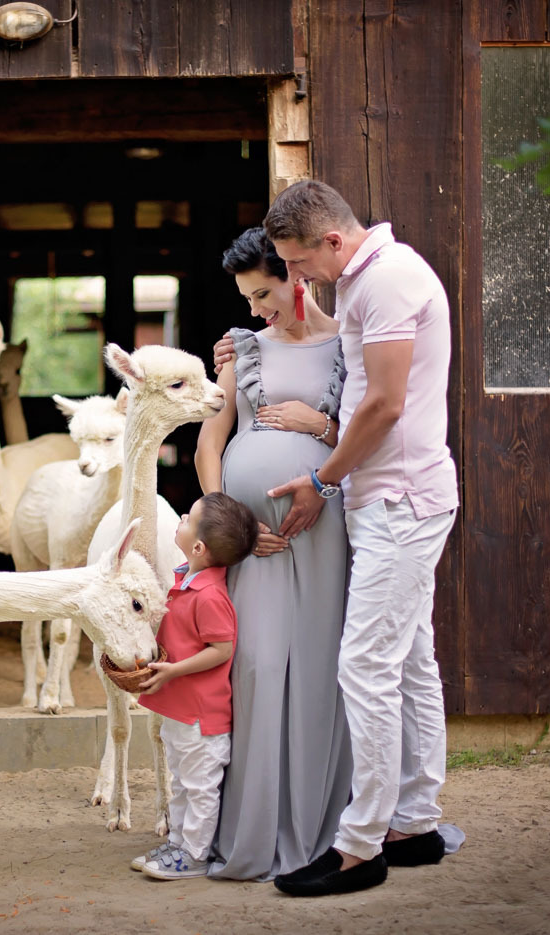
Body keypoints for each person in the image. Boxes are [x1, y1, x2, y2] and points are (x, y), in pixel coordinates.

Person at [233, 180, 458, 897]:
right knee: (412, 657)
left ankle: (360, 845)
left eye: (300, 265)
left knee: (363, 665)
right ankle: (415, 821)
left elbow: (386, 403)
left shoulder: (386, 282)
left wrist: (323, 480)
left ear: (332, 240)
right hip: (388, 497)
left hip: (398, 498)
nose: (299, 281)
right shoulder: (369, 282)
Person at [192, 227, 355, 882]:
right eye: (247, 297)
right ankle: (251, 829)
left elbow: (374, 430)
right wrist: (228, 518)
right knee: (255, 664)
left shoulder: (349, 344)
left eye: (263, 292)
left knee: (318, 666)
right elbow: (210, 443)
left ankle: (319, 829)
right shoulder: (241, 349)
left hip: (321, 529)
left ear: (297, 275)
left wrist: (319, 427)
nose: (255, 309)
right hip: (250, 540)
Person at [130, 492, 258, 881]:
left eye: (188, 518)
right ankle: (179, 844)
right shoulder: (185, 580)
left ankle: (195, 854)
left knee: (200, 785)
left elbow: (222, 649)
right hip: (182, 711)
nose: (181, 516)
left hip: (203, 716)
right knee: (181, 782)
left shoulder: (210, 596)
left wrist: (173, 670)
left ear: (199, 547)